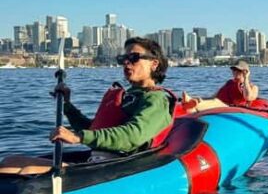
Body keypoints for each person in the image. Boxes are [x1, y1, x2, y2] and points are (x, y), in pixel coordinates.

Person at [0, 37, 172, 175]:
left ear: (154, 63)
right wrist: (67, 105)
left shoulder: (156, 99)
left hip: (117, 167)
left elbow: (131, 136)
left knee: (26, 172)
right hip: (95, 161)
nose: (126, 63)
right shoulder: (128, 96)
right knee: (10, 161)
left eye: (133, 58)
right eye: (123, 58)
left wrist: (78, 137)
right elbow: (94, 129)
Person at [182, 60, 260, 112]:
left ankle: (193, 104)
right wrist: (198, 98)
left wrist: (246, 78)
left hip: (232, 109)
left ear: (245, 72)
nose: (235, 72)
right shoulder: (229, 83)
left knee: (216, 102)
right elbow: (214, 96)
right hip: (219, 105)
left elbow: (248, 97)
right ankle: (191, 103)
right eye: (234, 70)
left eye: (238, 70)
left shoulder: (253, 87)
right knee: (211, 101)